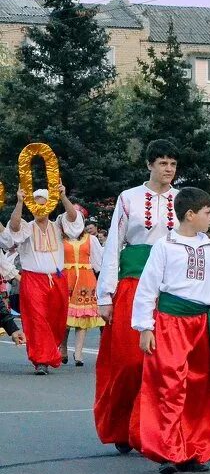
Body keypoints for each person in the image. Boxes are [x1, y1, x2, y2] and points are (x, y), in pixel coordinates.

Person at [132, 187, 210, 474]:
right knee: (170, 385)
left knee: (199, 388)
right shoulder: (165, 246)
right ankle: (167, 450)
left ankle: (193, 449)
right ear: (190, 215)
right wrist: (145, 326)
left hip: (204, 323)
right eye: (207, 213)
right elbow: (148, 287)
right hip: (171, 322)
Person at [95, 140, 180, 453]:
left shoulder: (181, 199)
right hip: (131, 283)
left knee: (163, 364)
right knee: (129, 361)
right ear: (149, 165)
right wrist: (106, 293)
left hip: (169, 288)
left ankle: (151, 430)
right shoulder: (128, 198)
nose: (168, 169)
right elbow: (114, 244)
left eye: (172, 164)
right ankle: (121, 425)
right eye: (162, 163)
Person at [6, 186, 83, 374]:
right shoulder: (27, 227)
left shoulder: (58, 224)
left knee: (56, 320)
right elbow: (14, 228)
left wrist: (64, 196)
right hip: (33, 279)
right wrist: (19, 202)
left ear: (49, 206)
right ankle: (41, 360)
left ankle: (48, 351)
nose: (40, 209)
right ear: (32, 207)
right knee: (37, 320)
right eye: (37, 205)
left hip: (57, 279)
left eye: (44, 205)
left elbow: (73, 218)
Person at [62, 227, 105, 366]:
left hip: (85, 279)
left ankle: (78, 352)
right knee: (64, 316)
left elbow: (98, 260)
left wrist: (102, 278)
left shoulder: (90, 239)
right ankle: (63, 348)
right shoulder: (60, 238)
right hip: (66, 277)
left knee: (82, 316)